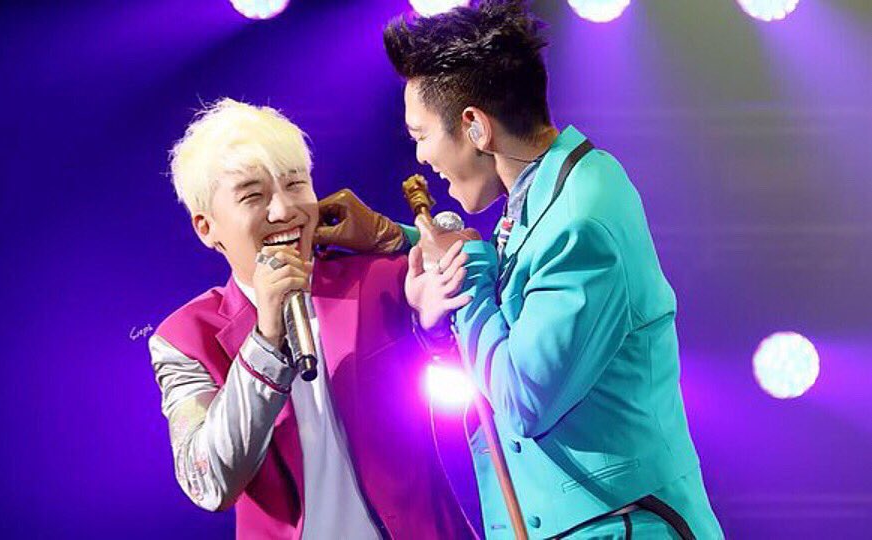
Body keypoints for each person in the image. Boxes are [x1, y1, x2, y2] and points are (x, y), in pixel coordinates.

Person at [318, 1, 724, 537]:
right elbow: (521, 273)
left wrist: (465, 278)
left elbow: (523, 398)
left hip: (621, 525)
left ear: (475, 127)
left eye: (421, 135)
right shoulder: (548, 191)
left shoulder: (581, 220)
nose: (421, 158)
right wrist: (393, 237)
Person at [147, 98, 474, 539]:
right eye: (253, 196)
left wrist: (399, 243)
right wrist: (266, 339)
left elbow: (472, 259)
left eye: (295, 185)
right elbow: (206, 482)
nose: (284, 211)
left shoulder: (373, 278)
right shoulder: (187, 338)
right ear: (207, 228)